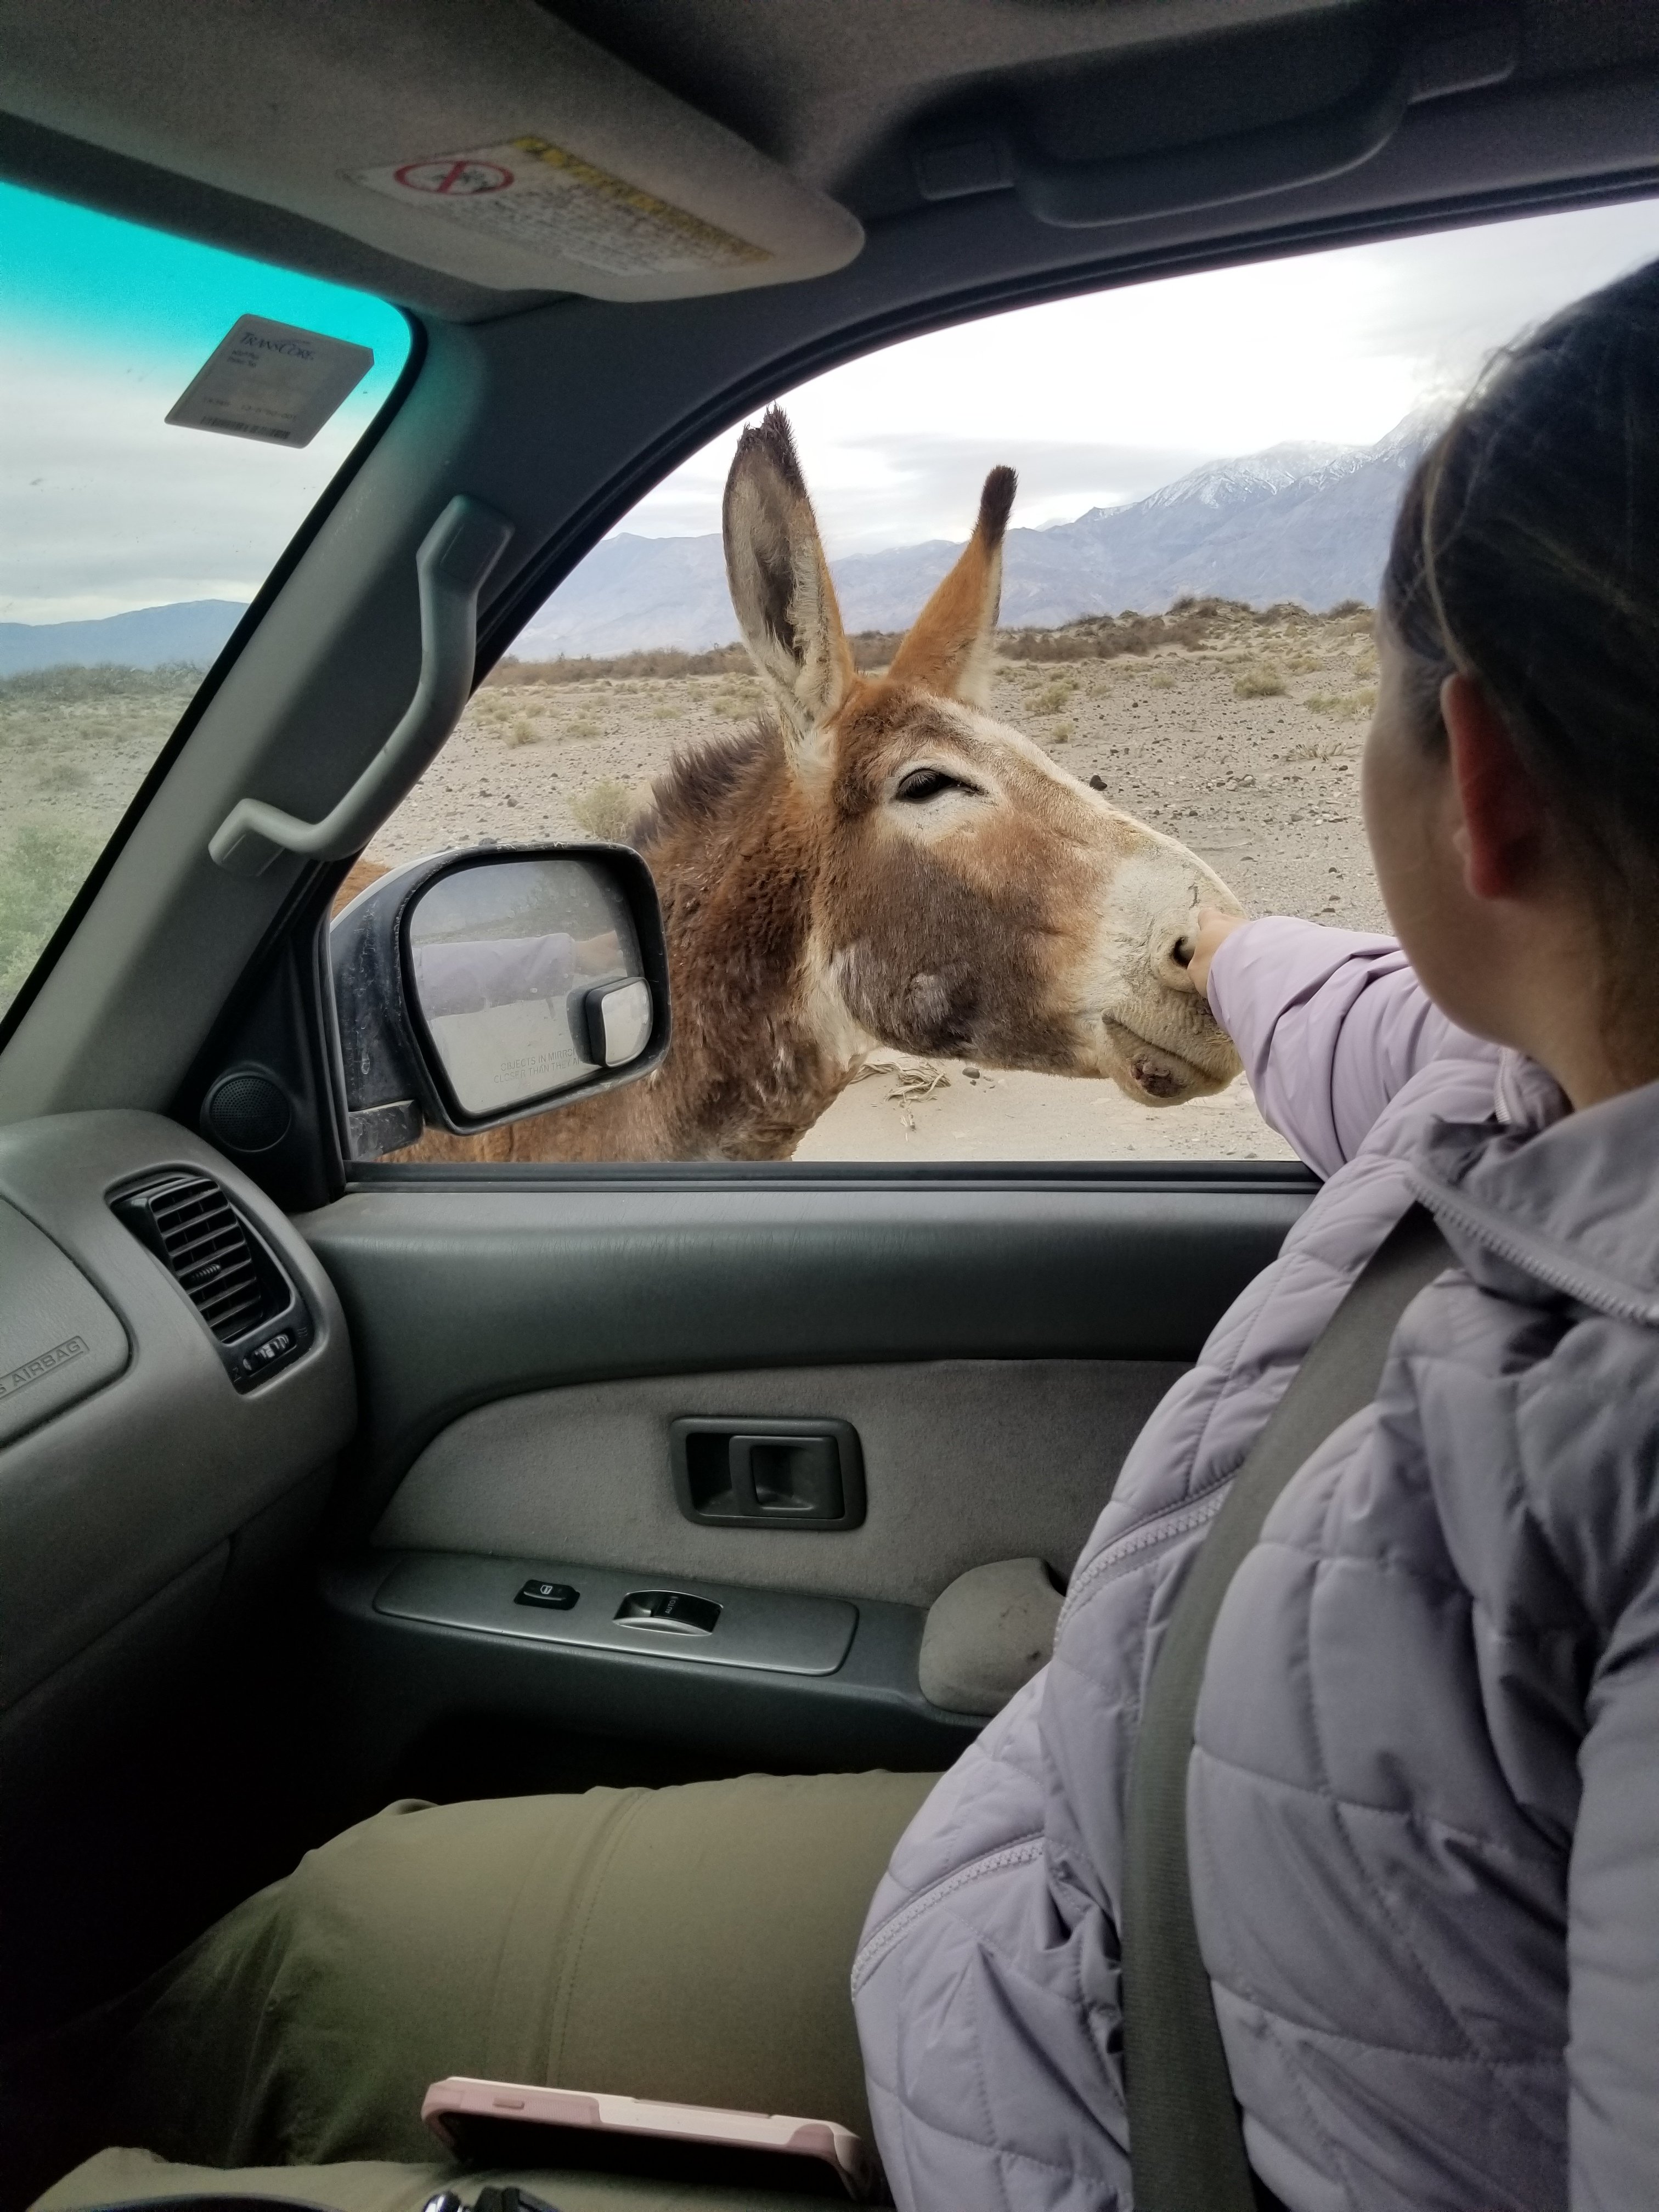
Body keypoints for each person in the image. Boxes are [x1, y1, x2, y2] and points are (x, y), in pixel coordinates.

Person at [36, 256, 1659, 2211]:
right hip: (1073, 1928)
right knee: (314, 1939)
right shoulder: (1509, 1085)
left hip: (1110, 2086)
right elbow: (1354, 1019)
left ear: (1477, 787)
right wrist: (1220, 947)